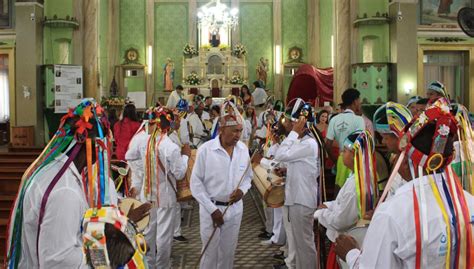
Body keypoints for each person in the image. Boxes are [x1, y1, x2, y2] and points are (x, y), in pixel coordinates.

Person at [335, 98, 474, 268]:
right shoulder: (468, 203)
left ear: (410, 160)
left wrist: (350, 254)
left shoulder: (391, 214)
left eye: (401, 156)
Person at [5, 99, 122, 268]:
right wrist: (103, 256)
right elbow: (58, 261)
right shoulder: (65, 191)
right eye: (103, 144)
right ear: (93, 146)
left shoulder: (52, 170)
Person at [190, 101, 253, 269]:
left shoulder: (242, 150)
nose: (238, 135)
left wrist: (242, 190)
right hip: (211, 210)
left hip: (235, 210)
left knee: (228, 253)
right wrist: (213, 210)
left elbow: (248, 177)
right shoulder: (206, 150)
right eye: (234, 131)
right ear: (221, 130)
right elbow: (195, 184)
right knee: (210, 254)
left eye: (240, 131)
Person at [126, 107, 191, 268]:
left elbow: (131, 158)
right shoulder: (171, 147)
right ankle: (162, 266)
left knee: (148, 232)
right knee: (164, 236)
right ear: (168, 126)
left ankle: (148, 264)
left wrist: (138, 180)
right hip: (165, 196)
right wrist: (185, 156)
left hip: (146, 195)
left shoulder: (144, 142)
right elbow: (180, 173)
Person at [272, 99, 320, 269]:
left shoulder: (309, 143)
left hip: (302, 199)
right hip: (296, 198)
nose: (291, 126)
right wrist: (288, 171)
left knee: (304, 245)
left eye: (293, 122)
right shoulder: (302, 143)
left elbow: (280, 155)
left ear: (302, 123)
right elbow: (291, 161)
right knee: (299, 245)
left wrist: (292, 134)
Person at [325, 88, 366, 189]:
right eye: (359, 100)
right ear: (355, 101)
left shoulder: (334, 119)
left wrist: (336, 160)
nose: (360, 103)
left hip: (341, 159)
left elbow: (327, 145)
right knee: (354, 191)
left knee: (340, 191)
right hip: (355, 160)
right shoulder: (359, 120)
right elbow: (360, 143)